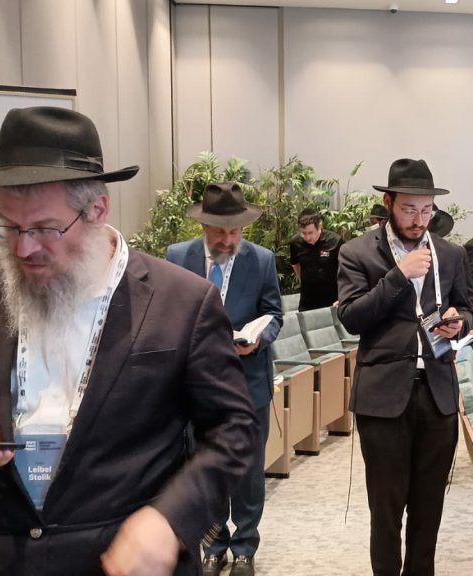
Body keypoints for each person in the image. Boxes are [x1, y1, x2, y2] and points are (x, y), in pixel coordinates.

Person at [0, 106, 256, 576]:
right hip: (0, 558)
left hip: (126, 560)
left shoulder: (181, 302)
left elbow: (234, 430)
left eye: (45, 228)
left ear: (97, 210)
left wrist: (170, 520)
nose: (24, 247)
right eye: (9, 225)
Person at [337, 158, 473, 576]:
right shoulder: (357, 252)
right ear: (389, 204)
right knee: (386, 508)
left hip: (437, 393)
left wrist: (459, 321)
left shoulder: (450, 254)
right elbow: (352, 317)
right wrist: (398, 275)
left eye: (426, 210)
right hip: (383, 397)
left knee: (428, 507)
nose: (419, 220)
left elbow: (469, 307)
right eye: (409, 210)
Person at [164, 182, 283, 576]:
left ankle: (245, 546)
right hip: (196, 387)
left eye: (235, 232)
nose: (228, 240)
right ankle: (213, 544)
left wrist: (258, 339)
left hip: (248, 381)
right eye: (220, 232)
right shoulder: (177, 257)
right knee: (205, 467)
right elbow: (168, 312)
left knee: (248, 471)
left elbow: (274, 314)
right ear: (204, 227)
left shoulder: (261, 260)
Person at [289, 208, 344, 311]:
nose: (307, 237)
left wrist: (343, 297)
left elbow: (346, 271)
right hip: (307, 302)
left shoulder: (335, 241)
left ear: (320, 226)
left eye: (311, 233)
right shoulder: (295, 243)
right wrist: (303, 281)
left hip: (333, 301)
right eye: (303, 233)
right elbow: (295, 264)